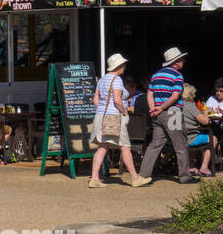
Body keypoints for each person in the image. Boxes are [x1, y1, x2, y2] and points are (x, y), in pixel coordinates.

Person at [89, 53, 147, 187]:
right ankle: (135, 178)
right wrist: (124, 112)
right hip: (114, 117)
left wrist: (104, 108)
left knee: (102, 147)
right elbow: (117, 100)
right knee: (125, 147)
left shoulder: (102, 80)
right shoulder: (117, 80)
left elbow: (95, 100)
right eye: (123, 65)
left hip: (100, 116)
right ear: (118, 66)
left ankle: (95, 178)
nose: (125, 67)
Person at [138, 47, 193, 184]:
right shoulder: (178, 76)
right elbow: (175, 96)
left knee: (155, 144)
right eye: (181, 59)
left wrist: (153, 109)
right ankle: (185, 176)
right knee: (180, 145)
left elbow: (149, 94)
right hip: (172, 112)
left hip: (157, 114)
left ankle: (143, 175)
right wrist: (162, 107)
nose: (183, 61)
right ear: (176, 62)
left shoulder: (156, 75)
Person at [181, 84, 215, 177]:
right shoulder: (190, 105)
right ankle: (204, 167)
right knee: (214, 139)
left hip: (180, 138)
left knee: (192, 136)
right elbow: (205, 121)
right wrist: (205, 113)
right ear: (190, 94)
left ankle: (191, 167)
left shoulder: (177, 105)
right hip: (191, 138)